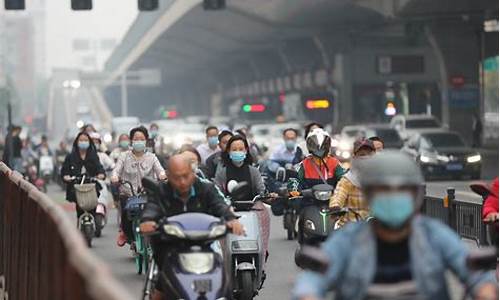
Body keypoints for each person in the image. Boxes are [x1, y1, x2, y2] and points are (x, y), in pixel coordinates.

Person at [293, 151, 498, 300]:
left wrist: (485, 290)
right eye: (384, 191)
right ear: (371, 196)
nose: (392, 197)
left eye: (401, 191)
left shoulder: (434, 235)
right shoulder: (348, 240)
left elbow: (475, 273)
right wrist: (308, 294)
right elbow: (313, 280)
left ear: (415, 196)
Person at [139, 155, 244, 300]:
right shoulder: (161, 191)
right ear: (168, 176)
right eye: (176, 178)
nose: (182, 182)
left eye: (185, 176)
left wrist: (231, 220)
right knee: (163, 280)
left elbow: (220, 205)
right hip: (169, 244)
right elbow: (152, 207)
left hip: (203, 243)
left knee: (222, 276)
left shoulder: (206, 188)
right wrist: (148, 221)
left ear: (193, 173)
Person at [214, 135, 271, 255]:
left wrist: (266, 195)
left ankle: (262, 251)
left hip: (252, 208)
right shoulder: (222, 173)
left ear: (246, 151)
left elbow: (261, 189)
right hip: (229, 209)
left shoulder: (253, 171)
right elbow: (217, 191)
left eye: (241, 149)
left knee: (265, 214)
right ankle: (224, 255)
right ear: (228, 151)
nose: (238, 152)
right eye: (234, 149)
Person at [111, 126, 166, 247]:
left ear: (146, 140)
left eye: (142, 138)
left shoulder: (152, 157)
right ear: (131, 141)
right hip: (128, 193)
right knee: (126, 211)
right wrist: (115, 177)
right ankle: (125, 233)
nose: (139, 141)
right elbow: (116, 170)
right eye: (136, 138)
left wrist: (162, 175)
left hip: (147, 194)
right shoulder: (124, 156)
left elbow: (161, 171)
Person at [329, 139, 376, 227]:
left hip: (375, 228)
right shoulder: (348, 179)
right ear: (354, 157)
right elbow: (339, 194)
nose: (366, 158)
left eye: (369, 154)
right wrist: (335, 206)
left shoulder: (381, 179)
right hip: (350, 226)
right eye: (362, 155)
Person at [61, 132, 105, 219]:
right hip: (77, 186)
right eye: (81, 140)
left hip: (91, 185)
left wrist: (101, 174)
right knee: (80, 209)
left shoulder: (93, 156)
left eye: (85, 140)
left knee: (93, 208)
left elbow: (99, 168)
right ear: (77, 142)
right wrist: (66, 177)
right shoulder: (70, 156)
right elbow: (64, 171)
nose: (83, 142)